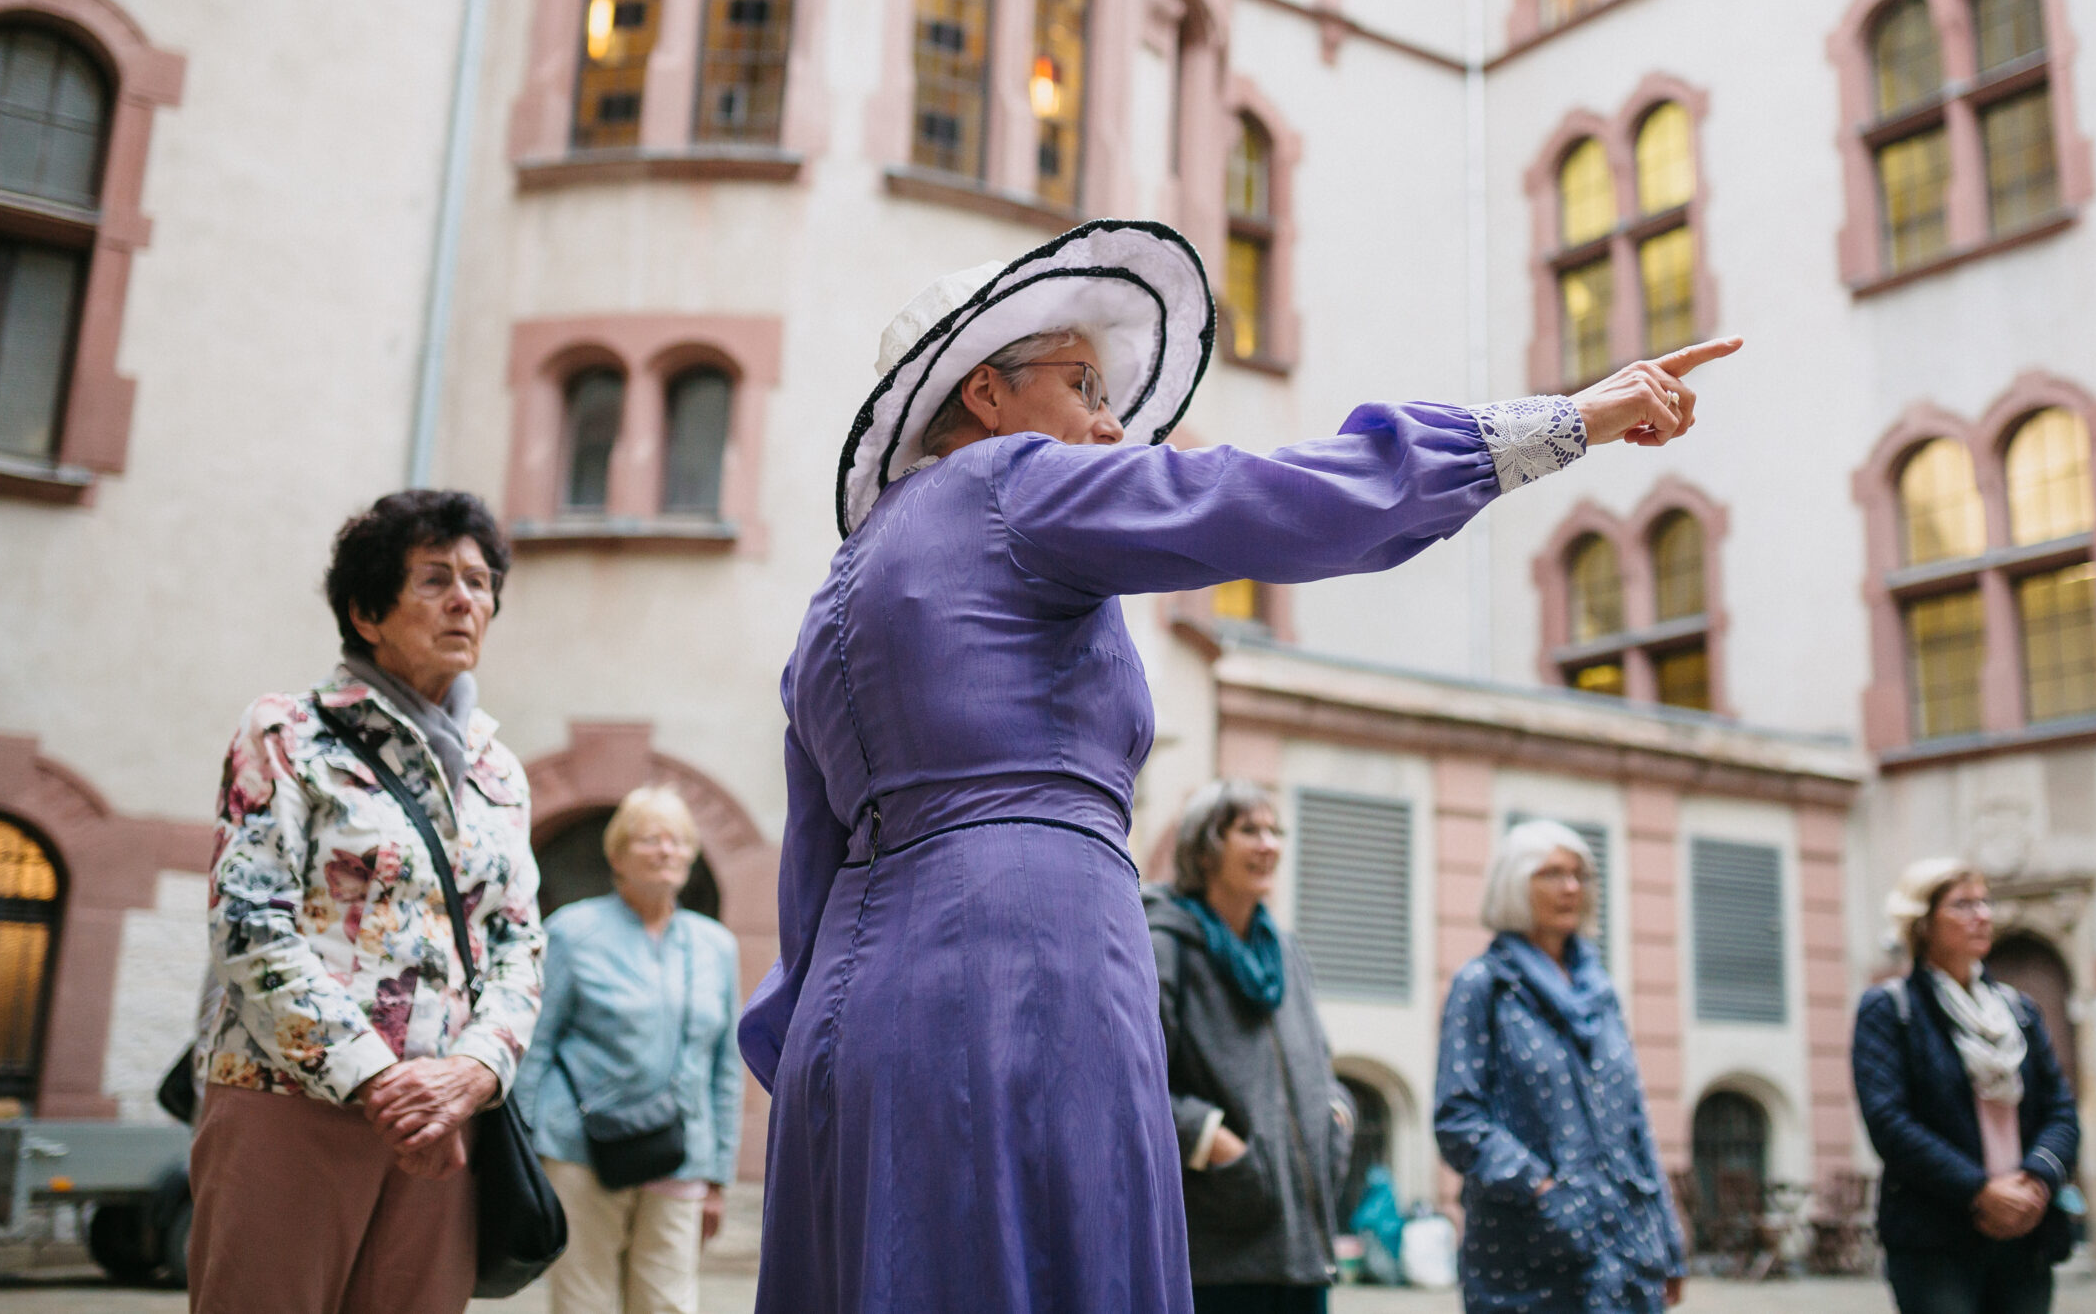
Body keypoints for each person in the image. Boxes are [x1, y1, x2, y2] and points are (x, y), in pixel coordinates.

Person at [735, 220, 1738, 1314]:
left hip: (858, 1011)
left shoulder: (835, 594)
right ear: (985, 393)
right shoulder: (1009, 484)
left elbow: (807, 890)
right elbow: (1270, 497)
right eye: (1083, 384)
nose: (1110, 423)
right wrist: (1570, 421)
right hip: (1030, 953)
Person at [191, 490, 544, 1313]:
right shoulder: (288, 732)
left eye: (480, 580)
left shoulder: (500, 774)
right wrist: (376, 1079)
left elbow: (520, 944)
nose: (467, 598)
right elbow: (249, 925)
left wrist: (473, 1070)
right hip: (288, 1103)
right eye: (434, 579)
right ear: (366, 610)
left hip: (442, 1125)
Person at [1433, 819, 1685, 1314]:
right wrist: (1547, 1192)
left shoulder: (1600, 990)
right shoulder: (1483, 985)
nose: (1570, 887)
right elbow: (1457, 1119)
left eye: (1579, 874)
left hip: (1624, 1255)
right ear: (1513, 883)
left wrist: (1668, 1244)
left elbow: (1636, 1124)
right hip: (1525, 1262)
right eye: (1550, 873)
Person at [520, 785, 743, 1314]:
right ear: (617, 854)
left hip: (680, 1152)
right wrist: (526, 1149)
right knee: (584, 1302)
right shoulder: (572, 932)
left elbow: (724, 1067)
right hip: (579, 1149)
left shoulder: (715, 945)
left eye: (678, 840)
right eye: (649, 839)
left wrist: (717, 1175)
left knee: (668, 1302)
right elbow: (535, 1045)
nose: (666, 851)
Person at [1146, 778, 1353, 1313]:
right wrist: (1212, 1140)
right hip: (1220, 1252)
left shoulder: (1286, 952)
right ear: (1205, 847)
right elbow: (1134, 1084)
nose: (1269, 845)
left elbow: (1320, 1065)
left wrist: (1337, 1117)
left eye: (1274, 830)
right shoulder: (1166, 945)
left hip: (1305, 1249)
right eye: (1248, 830)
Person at [1851, 858, 2078, 1314]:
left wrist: (2036, 1178)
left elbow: (2061, 1109)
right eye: (1963, 905)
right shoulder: (1891, 1010)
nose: (1983, 915)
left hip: (2025, 1231)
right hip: (1935, 1238)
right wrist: (1980, 1191)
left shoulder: (2019, 1010)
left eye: (1985, 902)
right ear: (1923, 924)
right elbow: (1889, 1123)